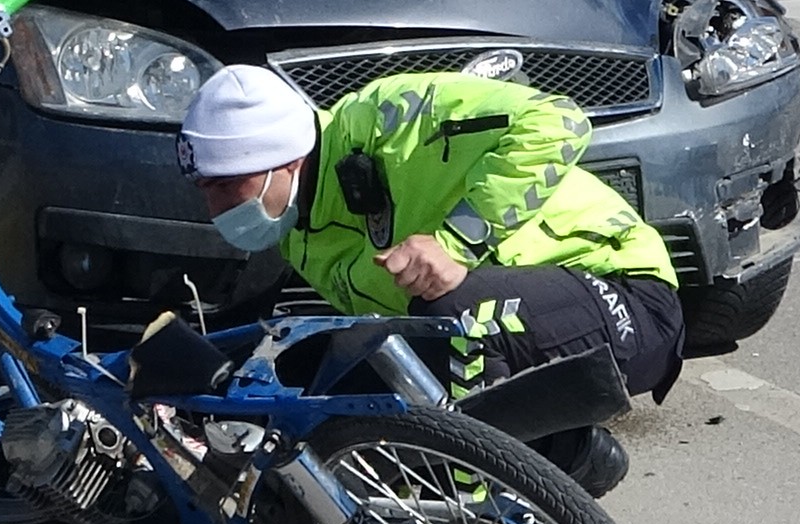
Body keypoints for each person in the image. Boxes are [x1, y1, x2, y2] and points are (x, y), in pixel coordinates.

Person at [179, 61, 679, 496]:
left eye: (225, 186)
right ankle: (562, 453)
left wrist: (457, 241)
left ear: (283, 160)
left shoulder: (387, 117)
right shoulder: (298, 233)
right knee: (302, 386)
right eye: (204, 190)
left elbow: (559, 120)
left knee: (453, 317)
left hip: (624, 295)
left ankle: (482, 522)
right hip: (508, 340)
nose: (214, 207)